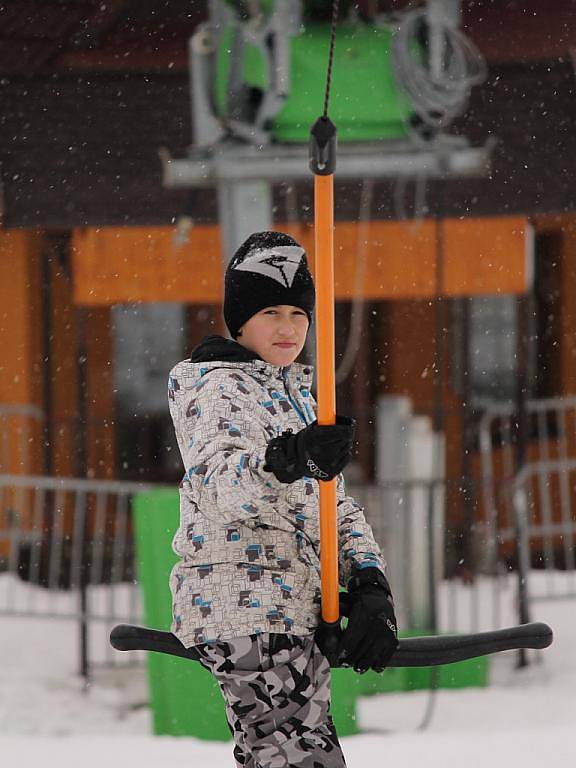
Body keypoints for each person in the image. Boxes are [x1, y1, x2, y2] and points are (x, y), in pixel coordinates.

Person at [167, 231, 398, 768]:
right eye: (271, 311)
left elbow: (333, 505)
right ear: (240, 321)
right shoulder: (216, 387)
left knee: (282, 759)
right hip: (245, 606)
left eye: (299, 312)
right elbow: (224, 485)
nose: (289, 327)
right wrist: (286, 459)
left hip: (294, 610)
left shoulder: (297, 393)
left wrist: (368, 579)